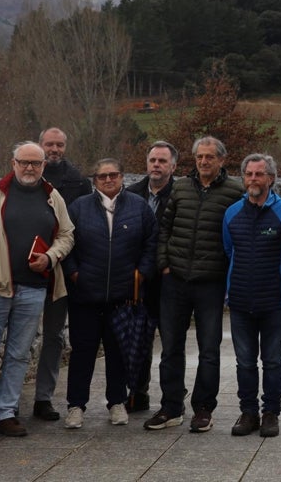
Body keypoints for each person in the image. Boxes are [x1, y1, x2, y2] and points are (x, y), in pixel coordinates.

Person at [0, 141, 74, 441]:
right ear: (13, 163)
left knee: (19, 355)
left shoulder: (52, 197)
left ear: (43, 166)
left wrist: (50, 257)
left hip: (33, 289)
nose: (29, 168)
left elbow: (66, 235)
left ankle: (6, 413)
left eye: (35, 163)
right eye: (24, 162)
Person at [145, 136, 244, 433]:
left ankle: (203, 408)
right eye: (200, 157)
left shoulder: (235, 192)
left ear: (221, 160)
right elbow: (165, 227)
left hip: (210, 283)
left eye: (210, 157)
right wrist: (163, 263)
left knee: (209, 349)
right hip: (174, 279)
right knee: (171, 347)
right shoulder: (181, 187)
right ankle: (171, 406)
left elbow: (238, 237)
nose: (203, 162)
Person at [61, 158, 157, 429]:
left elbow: (152, 242)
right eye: (102, 176)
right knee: (82, 352)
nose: (107, 180)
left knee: (118, 353)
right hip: (85, 295)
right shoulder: (79, 207)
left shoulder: (139, 207)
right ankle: (76, 406)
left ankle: (117, 402)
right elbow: (65, 242)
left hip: (122, 295)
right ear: (95, 180)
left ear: (121, 177)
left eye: (113, 175)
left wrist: (141, 273)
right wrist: (74, 273)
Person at [222, 154, 281, 438]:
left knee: (272, 360)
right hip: (241, 302)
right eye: (249, 174)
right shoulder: (231, 213)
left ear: (271, 178)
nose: (253, 179)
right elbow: (229, 251)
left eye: (260, 174)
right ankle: (248, 412)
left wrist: (280, 281)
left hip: (274, 303)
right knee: (244, 362)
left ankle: (271, 413)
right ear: (243, 178)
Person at [33, 126, 92, 422]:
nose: (54, 149)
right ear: (40, 144)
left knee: (54, 335)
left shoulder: (79, 182)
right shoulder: (27, 177)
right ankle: (6, 401)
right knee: (18, 334)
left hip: (62, 270)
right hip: (25, 269)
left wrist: (75, 270)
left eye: (59, 144)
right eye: (49, 144)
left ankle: (43, 397)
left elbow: (84, 229)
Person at [124, 140, 179, 412]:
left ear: (173, 166)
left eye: (162, 161)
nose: (156, 165)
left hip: (169, 281)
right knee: (138, 341)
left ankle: (172, 399)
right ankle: (137, 393)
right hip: (139, 280)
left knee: (170, 343)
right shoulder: (131, 194)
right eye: (152, 160)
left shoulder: (181, 194)